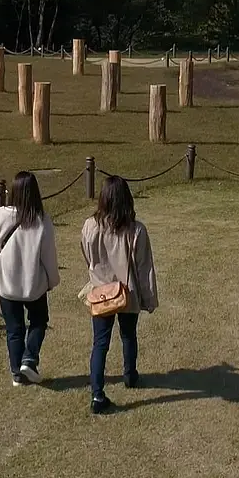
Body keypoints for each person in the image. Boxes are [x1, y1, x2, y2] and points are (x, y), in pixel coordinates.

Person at [80, 175, 158, 414]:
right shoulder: (136, 230)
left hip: (101, 293)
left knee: (100, 343)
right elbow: (144, 268)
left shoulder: (90, 226)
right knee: (128, 335)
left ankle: (97, 393)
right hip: (128, 292)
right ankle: (130, 375)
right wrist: (149, 298)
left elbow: (87, 256)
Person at [0, 171, 60, 386]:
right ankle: (29, 358)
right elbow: (48, 257)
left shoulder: (1, 214)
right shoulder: (42, 221)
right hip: (33, 283)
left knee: (14, 329)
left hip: (6, 281)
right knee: (39, 320)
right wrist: (52, 280)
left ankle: (16, 373)